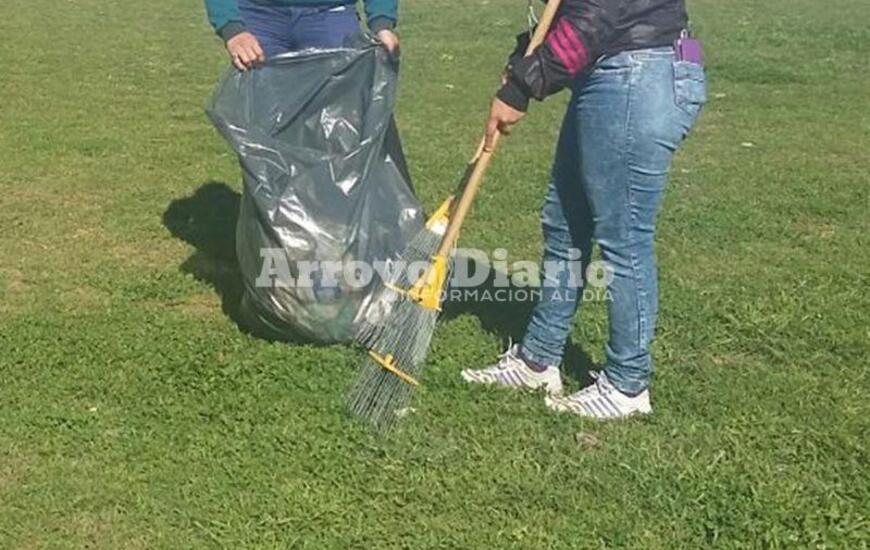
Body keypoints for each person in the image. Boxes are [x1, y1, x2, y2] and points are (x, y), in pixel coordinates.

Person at [461, 0, 707, 419]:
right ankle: (537, 360)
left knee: (624, 236)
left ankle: (626, 386)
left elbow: (594, 17)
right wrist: (523, 59)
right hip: (610, 69)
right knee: (565, 223)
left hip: (638, 71)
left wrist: (522, 87)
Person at [204, 0, 399, 70]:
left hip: (331, 15)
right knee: (263, 120)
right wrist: (232, 29)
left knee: (341, 116)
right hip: (260, 18)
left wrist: (382, 24)